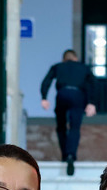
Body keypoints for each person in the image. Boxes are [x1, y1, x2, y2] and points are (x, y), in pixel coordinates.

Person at [40, 48, 97, 176]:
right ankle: (71, 155)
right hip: (77, 95)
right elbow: (93, 84)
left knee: (61, 127)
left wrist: (44, 98)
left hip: (62, 94)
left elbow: (46, 81)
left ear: (63, 59)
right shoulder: (84, 68)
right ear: (76, 58)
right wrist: (91, 103)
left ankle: (64, 155)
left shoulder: (57, 66)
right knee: (74, 128)